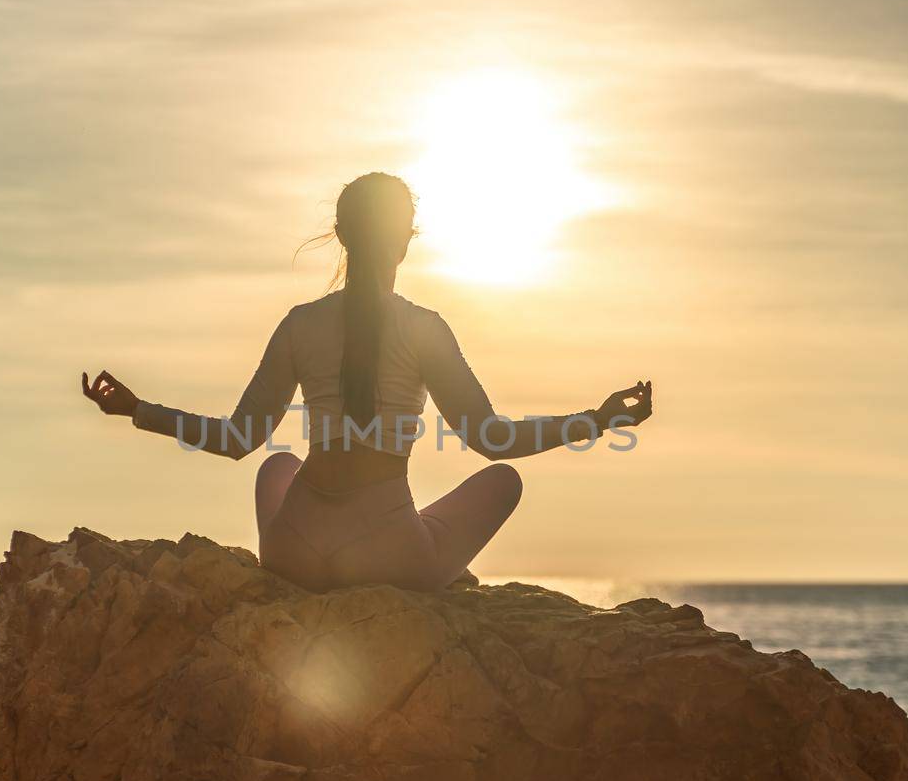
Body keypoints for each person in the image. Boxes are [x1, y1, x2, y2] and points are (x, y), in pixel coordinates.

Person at [82, 171, 652, 593]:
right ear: (406, 238)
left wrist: (138, 409)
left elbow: (237, 440)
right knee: (503, 481)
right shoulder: (424, 328)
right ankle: (437, 555)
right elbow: (493, 440)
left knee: (277, 465)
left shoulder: (299, 324)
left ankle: (408, 540)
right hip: (388, 559)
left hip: (295, 555)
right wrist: (602, 420)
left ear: (341, 235)